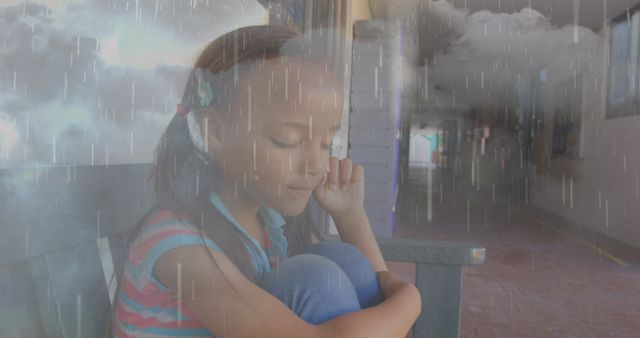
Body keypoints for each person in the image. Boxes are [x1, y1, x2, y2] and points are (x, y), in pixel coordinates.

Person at [110, 25, 420, 338]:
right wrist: (410, 299)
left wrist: (350, 215)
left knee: (344, 260)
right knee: (314, 277)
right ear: (216, 132)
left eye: (327, 143)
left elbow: (372, 288)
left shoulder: (266, 223)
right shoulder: (177, 245)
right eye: (287, 141)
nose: (316, 164)